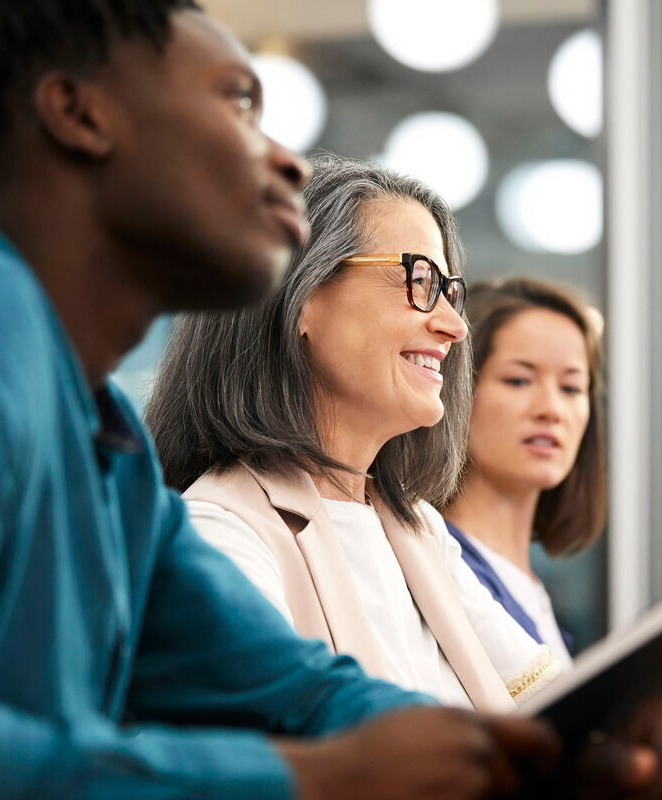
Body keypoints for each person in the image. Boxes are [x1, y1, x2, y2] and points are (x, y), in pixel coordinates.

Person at [0, 3, 565, 797]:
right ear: (79, 114)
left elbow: (299, 688)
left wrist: (560, 755)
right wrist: (311, 777)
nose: (284, 163)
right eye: (238, 103)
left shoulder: (108, 444)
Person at [146, 157, 563, 710]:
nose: (455, 325)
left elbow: (556, 705)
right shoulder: (220, 532)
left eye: (448, 290)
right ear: (299, 295)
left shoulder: (417, 528)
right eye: (418, 280)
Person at [441, 278, 606, 669]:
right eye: (518, 380)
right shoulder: (440, 565)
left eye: (571, 387)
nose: (551, 409)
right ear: (458, 390)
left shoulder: (530, 590)